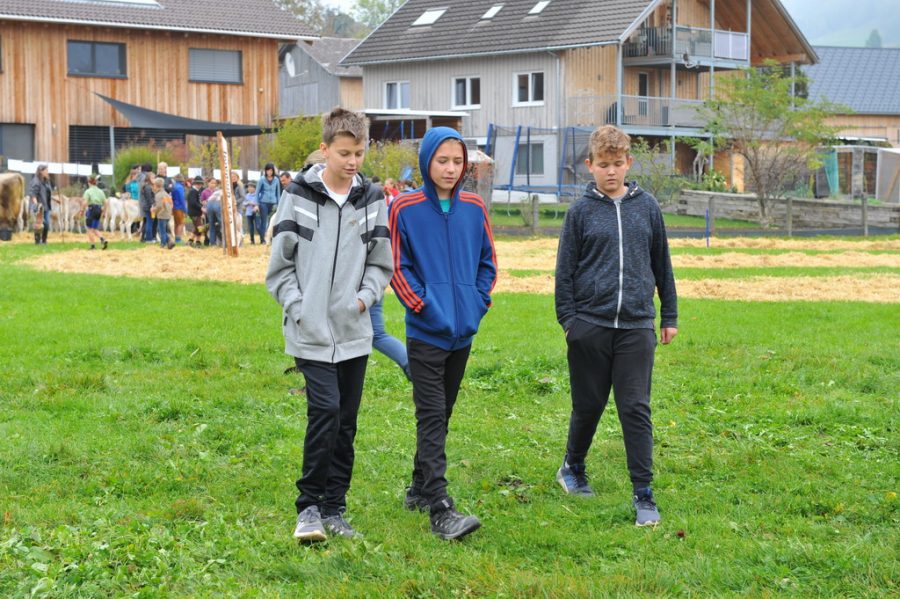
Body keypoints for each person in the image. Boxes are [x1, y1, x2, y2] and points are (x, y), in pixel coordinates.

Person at [266, 107, 392, 543]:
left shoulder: (372, 199)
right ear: (324, 150)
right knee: (326, 411)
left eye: (359, 153)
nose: (353, 161)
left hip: (354, 331)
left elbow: (380, 263)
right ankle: (308, 508)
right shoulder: (297, 195)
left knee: (347, 421)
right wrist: (299, 307)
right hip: (310, 330)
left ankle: (335, 507)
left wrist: (364, 299)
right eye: (344, 153)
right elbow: (280, 267)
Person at [554, 125, 678, 527]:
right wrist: (570, 323)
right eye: (604, 164)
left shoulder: (648, 207)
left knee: (635, 408)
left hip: (637, 327)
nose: (611, 171)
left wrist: (669, 315)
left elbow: (662, 264)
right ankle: (573, 466)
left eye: (618, 164)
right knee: (588, 405)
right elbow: (564, 272)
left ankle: (644, 494)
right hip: (590, 325)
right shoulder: (580, 212)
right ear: (590, 165)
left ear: (629, 163)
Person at [389, 127, 497, 541]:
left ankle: (418, 489)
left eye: (457, 161)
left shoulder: (474, 207)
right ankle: (439, 506)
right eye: (442, 161)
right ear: (427, 162)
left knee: (442, 413)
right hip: (425, 334)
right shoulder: (405, 207)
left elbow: (487, 262)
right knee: (432, 415)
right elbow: (397, 266)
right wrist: (423, 306)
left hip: (462, 333)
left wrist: (477, 302)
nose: (451, 169)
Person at [256, 163, 281, 244]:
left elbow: (278, 193)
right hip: (263, 203)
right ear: (265, 171)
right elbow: (257, 192)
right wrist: (257, 204)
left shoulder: (276, 180)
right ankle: (262, 239)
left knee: (273, 221)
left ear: (273, 171)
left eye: (271, 170)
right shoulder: (261, 179)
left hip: (274, 203)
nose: (269, 172)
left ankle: (271, 238)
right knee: (264, 221)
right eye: (267, 170)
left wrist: (279, 204)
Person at [83, 175, 108, 250]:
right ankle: (103, 239)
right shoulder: (100, 191)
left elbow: (85, 202)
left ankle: (93, 246)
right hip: (99, 210)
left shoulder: (88, 191)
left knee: (89, 229)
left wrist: (81, 210)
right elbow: (106, 202)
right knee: (94, 228)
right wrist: (104, 212)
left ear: (89, 183)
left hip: (92, 210)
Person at [29, 164, 52, 244]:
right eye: (46, 170)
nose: (48, 172)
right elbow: (33, 195)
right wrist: (37, 206)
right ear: (41, 171)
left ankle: (44, 241)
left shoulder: (45, 181)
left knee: (46, 224)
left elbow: (46, 194)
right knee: (40, 224)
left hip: (46, 206)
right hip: (39, 207)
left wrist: (55, 199)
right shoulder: (36, 181)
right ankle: (37, 241)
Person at [151, 177, 175, 249]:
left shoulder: (158, 195)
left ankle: (163, 244)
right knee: (162, 229)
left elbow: (159, 206)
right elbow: (171, 203)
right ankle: (170, 241)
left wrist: (153, 209)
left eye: (153, 185)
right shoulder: (166, 193)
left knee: (161, 230)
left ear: (156, 185)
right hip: (167, 214)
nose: (153, 187)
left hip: (162, 214)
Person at [139, 165, 156, 242]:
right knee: (149, 223)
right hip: (149, 207)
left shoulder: (147, 186)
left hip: (148, 206)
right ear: (149, 179)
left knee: (148, 222)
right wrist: (152, 206)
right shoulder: (148, 187)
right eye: (153, 178)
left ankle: (147, 237)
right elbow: (149, 199)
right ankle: (149, 238)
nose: (155, 179)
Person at [187, 176, 205, 248]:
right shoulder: (193, 191)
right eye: (197, 184)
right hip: (194, 213)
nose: (199, 185)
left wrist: (202, 205)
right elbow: (193, 202)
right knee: (200, 227)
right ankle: (198, 242)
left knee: (197, 227)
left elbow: (197, 201)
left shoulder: (197, 191)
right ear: (194, 183)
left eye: (200, 184)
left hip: (197, 212)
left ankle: (190, 241)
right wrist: (201, 207)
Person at [171, 173, 187, 244]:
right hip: (179, 207)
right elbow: (182, 199)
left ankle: (176, 238)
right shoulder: (180, 187)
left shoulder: (174, 186)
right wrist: (185, 209)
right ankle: (178, 239)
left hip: (174, 207)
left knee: (176, 223)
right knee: (181, 223)